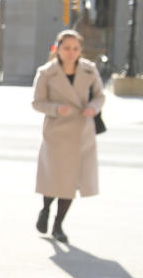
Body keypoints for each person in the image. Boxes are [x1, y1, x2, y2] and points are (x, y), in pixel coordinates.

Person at [31, 29, 103, 243]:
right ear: (58, 49)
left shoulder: (89, 70)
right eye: (66, 48)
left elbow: (100, 96)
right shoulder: (46, 72)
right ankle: (45, 209)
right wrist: (55, 109)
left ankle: (58, 224)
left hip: (82, 132)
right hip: (57, 133)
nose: (71, 53)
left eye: (75, 48)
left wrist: (93, 107)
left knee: (71, 182)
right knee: (54, 178)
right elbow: (37, 102)